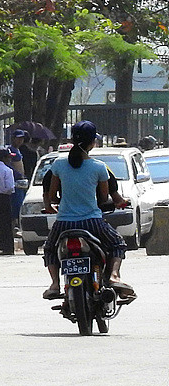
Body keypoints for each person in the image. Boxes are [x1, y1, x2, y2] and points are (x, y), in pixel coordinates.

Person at [41, 121, 134, 300]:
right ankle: (114, 276)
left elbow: (51, 196)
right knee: (117, 244)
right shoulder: (99, 167)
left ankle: (54, 284)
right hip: (92, 222)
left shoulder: (58, 165)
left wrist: (56, 204)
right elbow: (103, 198)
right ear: (93, 143)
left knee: (50, 249)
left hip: (64, 223)